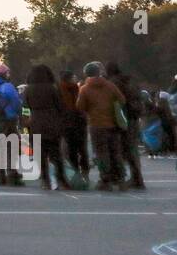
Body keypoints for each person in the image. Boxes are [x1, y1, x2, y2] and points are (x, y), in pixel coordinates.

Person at [76, 61, 127, 190]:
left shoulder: (85, 89)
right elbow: (122, 100)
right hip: (113, 124)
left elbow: (80, 107)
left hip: (96, 125)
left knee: (101, 153)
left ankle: (105, 180)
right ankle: (121, 179)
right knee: (115, 152)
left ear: (86, 74)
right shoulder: (110, 85)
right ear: (99, 72)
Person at [25, 65, 68, 189]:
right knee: (56, 154)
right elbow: (61, 107)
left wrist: (26, 124)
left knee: (40, 155)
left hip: (35, 124)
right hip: (52, 123)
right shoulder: (52, 88)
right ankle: (61, 180)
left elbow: (25, 109)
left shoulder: (28, 90)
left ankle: (45, 180)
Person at [106, 62, 145, 189]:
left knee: (123, 149)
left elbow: (115, 101)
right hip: (133, 117)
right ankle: (137, 177)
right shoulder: (129, 81)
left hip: (122, 118)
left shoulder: (113, 83)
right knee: (131, 149)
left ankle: (128, 177)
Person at [58, 70, 88, 177]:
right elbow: (81, 106)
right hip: (79, 122)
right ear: (70, 78)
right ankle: (85, 171)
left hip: (66, 123)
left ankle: (75, 171)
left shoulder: (59, 90)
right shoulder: (78, 89)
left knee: (71, 149)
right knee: (82, 148)